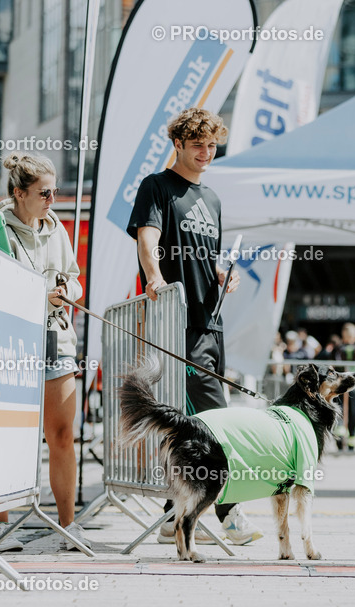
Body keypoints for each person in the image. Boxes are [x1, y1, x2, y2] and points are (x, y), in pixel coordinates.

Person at [127, 107, 261, 547]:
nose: (206, 152)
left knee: (194, 425)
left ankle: (173, 516)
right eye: (198, 144)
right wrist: (155, 278)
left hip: (211, 324)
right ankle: (228, 513)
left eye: (212, 145)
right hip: (176, 324)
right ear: (179, 144)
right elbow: (149, 241)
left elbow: (208, 259)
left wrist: (224, 275)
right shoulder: (157, 187)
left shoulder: (213, 200)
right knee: (214, 422)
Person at [0, 153, 91, 551]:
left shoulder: (57, 230)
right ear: (19, 193)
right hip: (10, 344)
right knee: (9, 434)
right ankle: (0, 525)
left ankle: (68, 526)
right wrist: (37, 294)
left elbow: (75, 280)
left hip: (57, 341)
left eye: (55, 191)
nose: (53, 199)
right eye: (44, 193)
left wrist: (68, 293)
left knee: (62, 436)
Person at [332, 322, 355, 450]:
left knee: (340, 409)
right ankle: (352, 439)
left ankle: (341, 438)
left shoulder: (338, 349)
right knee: (353, 411)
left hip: (340, 384)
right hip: (354, 385)